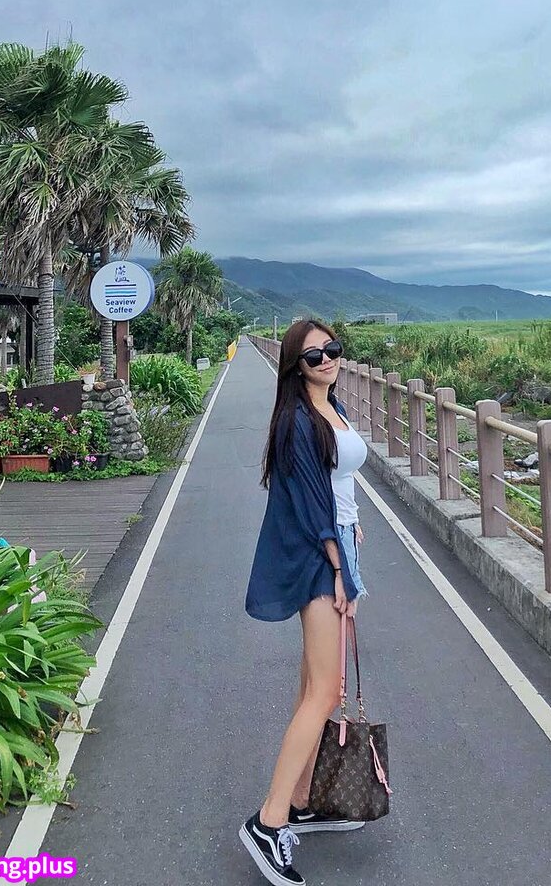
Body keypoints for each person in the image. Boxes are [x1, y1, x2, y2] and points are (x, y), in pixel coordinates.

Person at [240, 319, 369, 886]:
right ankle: (267, 823)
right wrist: (341, 569)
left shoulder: (329, 407)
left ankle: (299, 802)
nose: (327, 360)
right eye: (314, 355)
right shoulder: (297, 418)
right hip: (322, 557)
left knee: (312, 686)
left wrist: (352, 532)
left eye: (332, 349)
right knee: (326, 692)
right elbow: (310, 502)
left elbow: (336, 485)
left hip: (338, 545)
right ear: (295, 364)